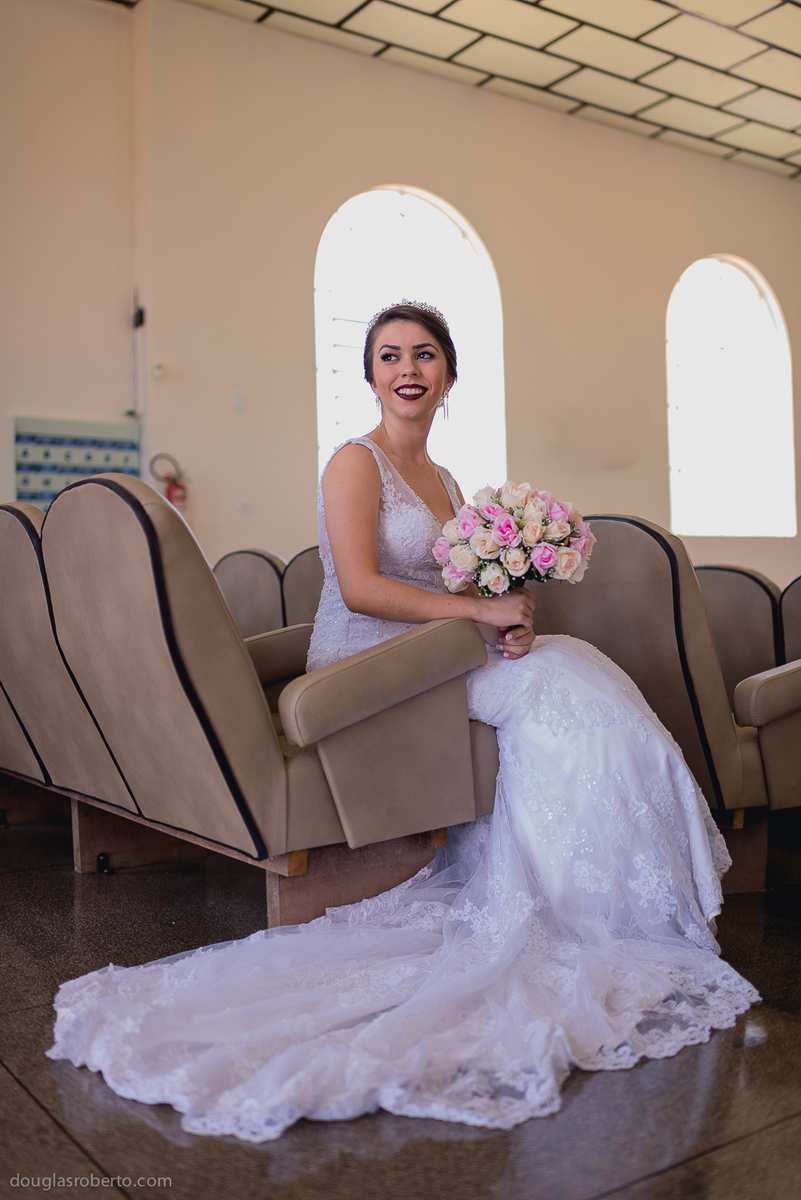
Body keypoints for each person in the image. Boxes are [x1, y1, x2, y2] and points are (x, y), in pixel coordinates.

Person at [47, 302, 758, 1143]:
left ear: (448, 374)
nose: (406, 368)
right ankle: (596, 910)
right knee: (567, 691)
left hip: (441, 653)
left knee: (578, 677)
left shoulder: (448, 481)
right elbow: (356, 586)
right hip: (369, 661)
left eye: (423, 354)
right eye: (389, 355)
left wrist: (504, 613)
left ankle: (608, 902)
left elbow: (459, 587)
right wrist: (475, 618)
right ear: (371, 375)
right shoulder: (356, 463)